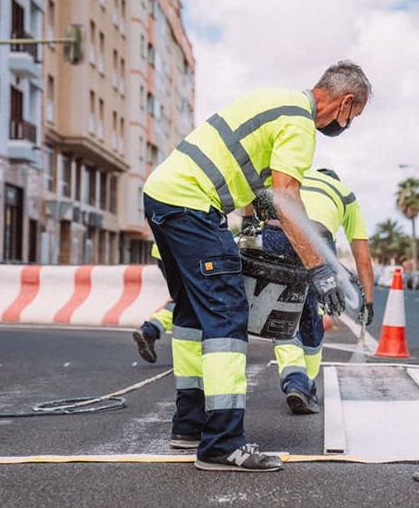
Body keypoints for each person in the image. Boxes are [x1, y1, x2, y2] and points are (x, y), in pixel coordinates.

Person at [142, 61, 371, 472]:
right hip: (193, 205)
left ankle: (189, 425)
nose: (348, 123)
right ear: (346, 102)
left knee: (192, 313)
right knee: (227, 316)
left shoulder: (275, 99)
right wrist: (318, 268)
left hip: (162, 196)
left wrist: (251, 218)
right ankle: (223, 444)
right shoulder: (300, 124)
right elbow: (286, 197)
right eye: (354, 116)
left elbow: (253, 176)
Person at [260, 168, 374, 414]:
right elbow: (362, 258)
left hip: (275, 232)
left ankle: (295, 378)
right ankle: (304, 384)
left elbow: (259, 196)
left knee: (281, 311)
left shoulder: (295, 176)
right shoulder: (345, 194)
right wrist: (369, 301)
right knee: (311, 313)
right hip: (317, 237)